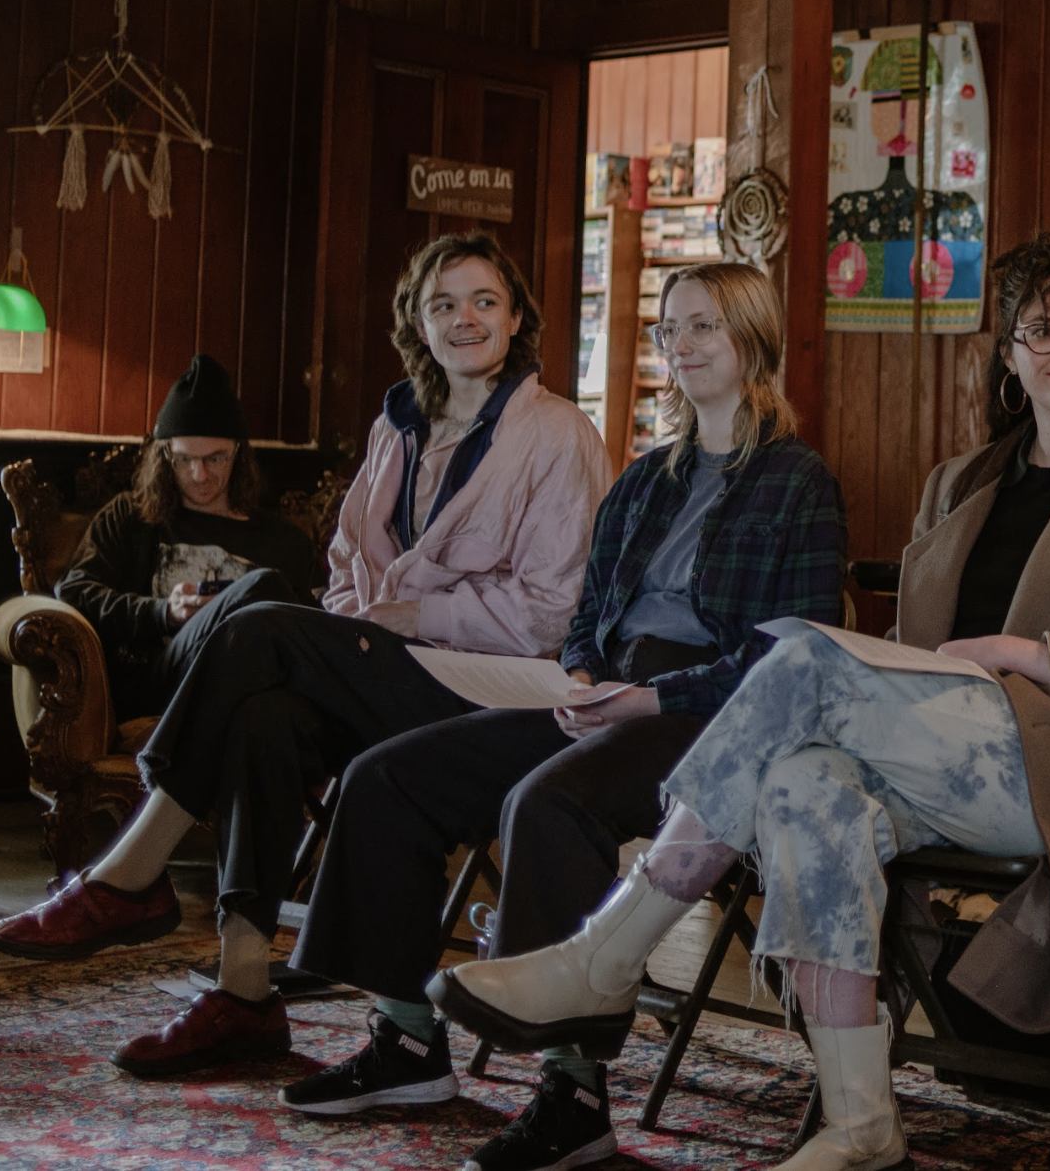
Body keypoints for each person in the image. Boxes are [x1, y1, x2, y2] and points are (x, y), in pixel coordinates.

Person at [429, 233, 1050, 1171]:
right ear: (1009, 354)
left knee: (801, 654)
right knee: (801, 786)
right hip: (943, 751)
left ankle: (604, 956)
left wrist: (1028, 654)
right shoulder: (960, 484)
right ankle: (861, 1124)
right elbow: (917, 660)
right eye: (1042, 330)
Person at [0, 231, 610, 1082]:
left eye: (484, 301)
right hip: (388, 670)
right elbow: (347, 565)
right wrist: (362, 623)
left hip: (489, 691)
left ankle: (130, 873)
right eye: (443, 304)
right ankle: (245, 992)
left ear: (514, 319)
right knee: (265, 716)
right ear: (418, 325)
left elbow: (550, 613)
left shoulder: (558, 433)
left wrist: (403, 615)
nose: (464, 318)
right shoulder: (397, 426)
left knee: (261, 624)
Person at [276, 264, 847, 1171]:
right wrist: (581, 675)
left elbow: (796, 653)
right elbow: (587, 617)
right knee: (388, 776)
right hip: (601, 692)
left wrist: (648, 698)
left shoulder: (797, 480)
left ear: (753, 338)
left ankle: (573, 1097)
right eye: (671, 328)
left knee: (548, 802)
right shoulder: (645, 478)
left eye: (705, 325)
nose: (684, 344)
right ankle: (407, 1040)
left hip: (717, 717)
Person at [55, 354, 318, 719]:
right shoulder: (130, 518)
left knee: (272, 699)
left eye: (215, 458)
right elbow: (74, 592)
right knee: (263, 586)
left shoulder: (283, 540)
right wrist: (163, 613)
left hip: (252, 696)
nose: (199, 475)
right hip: (162, 682)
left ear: (238, 453)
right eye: (184, 459)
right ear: (164, 456)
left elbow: (309, 637)